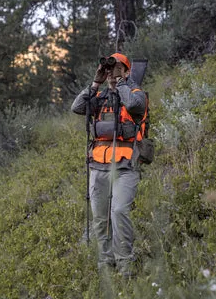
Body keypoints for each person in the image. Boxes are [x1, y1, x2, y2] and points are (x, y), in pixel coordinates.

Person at [71, 52, 147, 277]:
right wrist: (96, 83)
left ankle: (125, 265)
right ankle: (105, 263)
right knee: (100, 218)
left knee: (120, 211)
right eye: (110, 71)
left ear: (126, 71)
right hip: (98, 167)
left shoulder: (135, 93)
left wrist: (122, 82)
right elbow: (77, 107)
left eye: (118, 69)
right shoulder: (100, 97)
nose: (112, 74)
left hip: (125, 168)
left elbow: (134, 105)